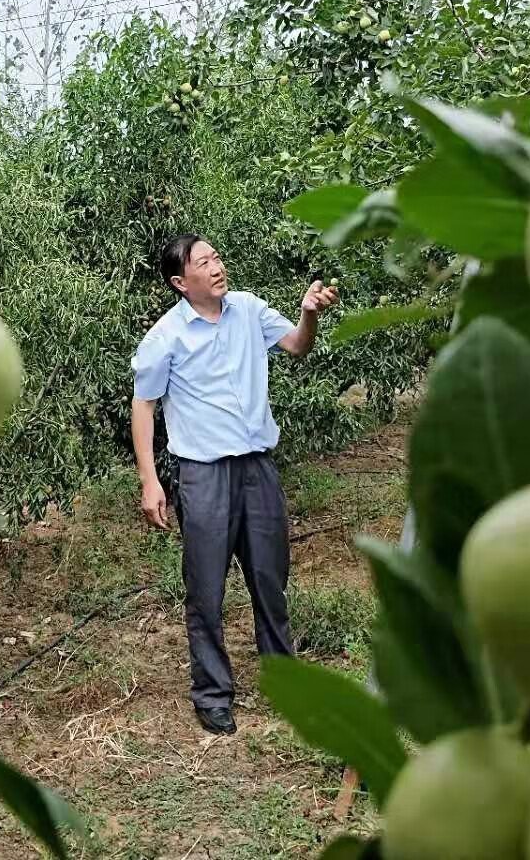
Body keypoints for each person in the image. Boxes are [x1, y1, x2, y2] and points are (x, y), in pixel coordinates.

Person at [129, 234, 338, 735]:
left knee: (270, 577)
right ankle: (213, 694)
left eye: (217, 256)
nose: (217, 266)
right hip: (202, 474)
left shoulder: (248, 310)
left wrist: (308, 312)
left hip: (257, 467)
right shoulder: (166, 337)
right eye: (204, 262)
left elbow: (296, 346)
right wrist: (149, 481)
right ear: (181, 282)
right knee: (205, 587)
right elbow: (144, 405)